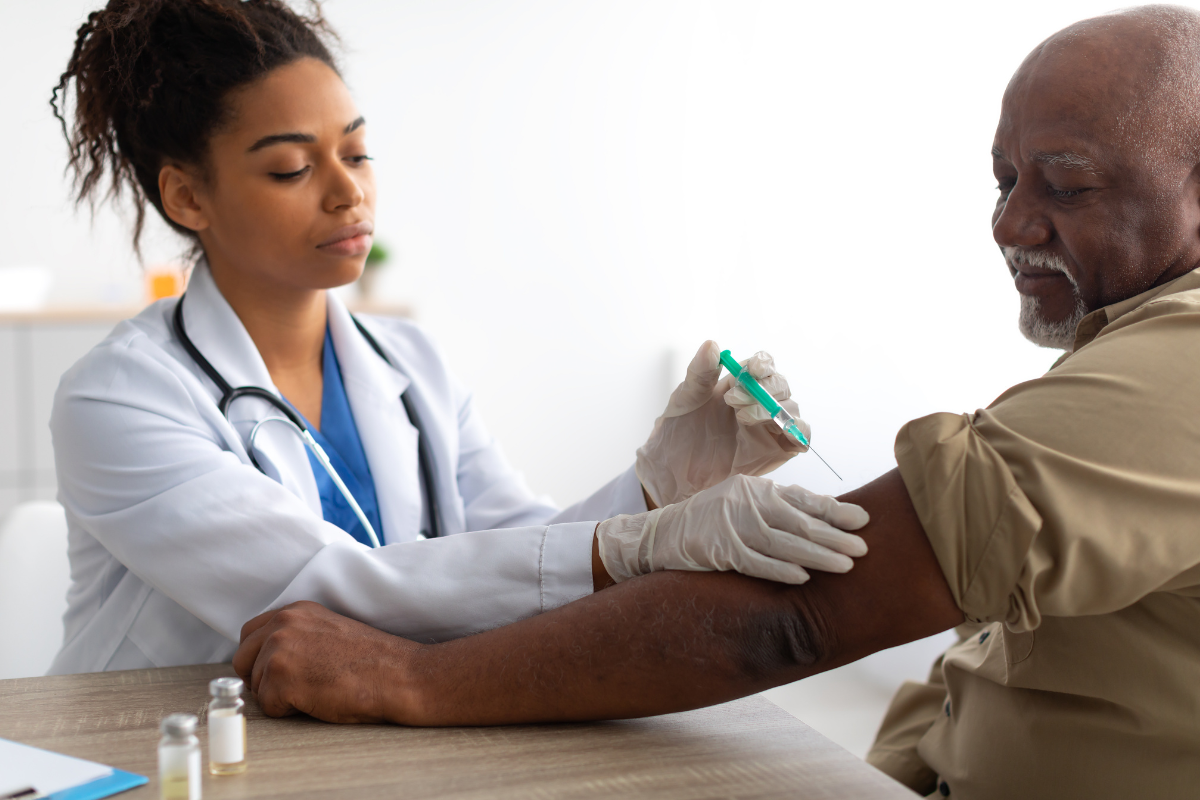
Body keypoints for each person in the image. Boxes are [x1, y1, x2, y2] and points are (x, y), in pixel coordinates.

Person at [233, 6, 1200, 799]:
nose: (1009, 222)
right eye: (1002, 178)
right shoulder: (122, 393)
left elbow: (793, 619)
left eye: (1065, 185)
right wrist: (644, 510)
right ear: (185, 199)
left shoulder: (1179, 364)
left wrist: (410, 674)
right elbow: (504, 550)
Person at [47, 0, 872, 676]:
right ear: (188, 197)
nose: (348, 194)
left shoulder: (408, 363)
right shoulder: (118, 398)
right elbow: (317, 588)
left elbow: (522, 549)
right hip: (160, 750)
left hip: (360, 732)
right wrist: (640, 544)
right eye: (293, 169)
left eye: (358, 152)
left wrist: (659, 487)